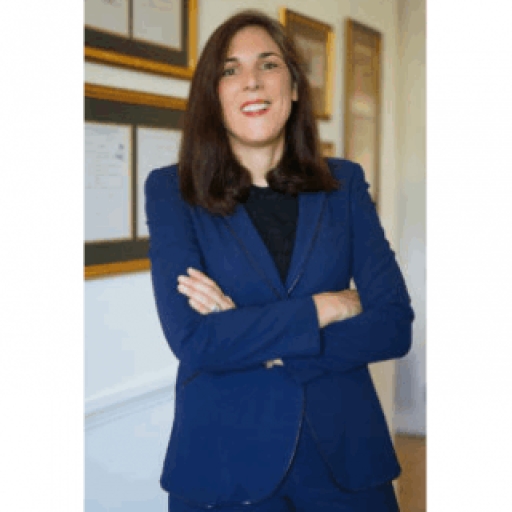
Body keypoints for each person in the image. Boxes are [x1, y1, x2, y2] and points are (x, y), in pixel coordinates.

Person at [145, 9, 413, 512]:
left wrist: (255, 337)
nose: (251, 81)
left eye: (268, 64)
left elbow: (393, 326)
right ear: (213, 96)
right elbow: (195, 339)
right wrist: (325, 307)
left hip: (346, 461)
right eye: (230, 70)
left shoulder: (343, 184)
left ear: (292, 87)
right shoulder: (172, 191)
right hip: (224, 462)